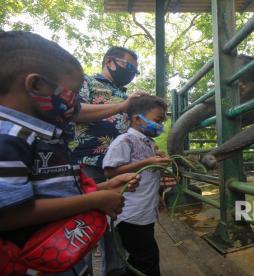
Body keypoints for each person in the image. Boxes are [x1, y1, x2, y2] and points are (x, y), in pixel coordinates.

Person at [0, 31, 140, 275]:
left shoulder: (47, 137)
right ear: (36, 85)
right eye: (72, 93)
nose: (75, 103)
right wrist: (95, 200)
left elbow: (53, 194)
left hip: (61, 256)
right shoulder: (10, 138)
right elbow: (8, 214)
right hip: (32, 263)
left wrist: (104, 188)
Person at [71, 46, 141, 275]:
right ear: (110, 61)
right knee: (89, 224)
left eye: (135, 71)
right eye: (129, 67)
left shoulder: (124, 93)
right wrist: (122, 106)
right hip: (89, 162)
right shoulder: (86, 82)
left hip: (120, 167)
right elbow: (76, 111)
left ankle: (116, 269)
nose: (131, 73)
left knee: (118, 221)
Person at [103, 95, 173, 276]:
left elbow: (150, 175)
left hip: (145, 211)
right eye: (157, 120)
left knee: (139, 257)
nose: (160, 125)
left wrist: (158, 195)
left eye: (162, 121)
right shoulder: (124, 141)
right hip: (130, 213)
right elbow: (110, 172)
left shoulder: (150, 143)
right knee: (147, 259)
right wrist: (148, 161)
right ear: (136, 118)